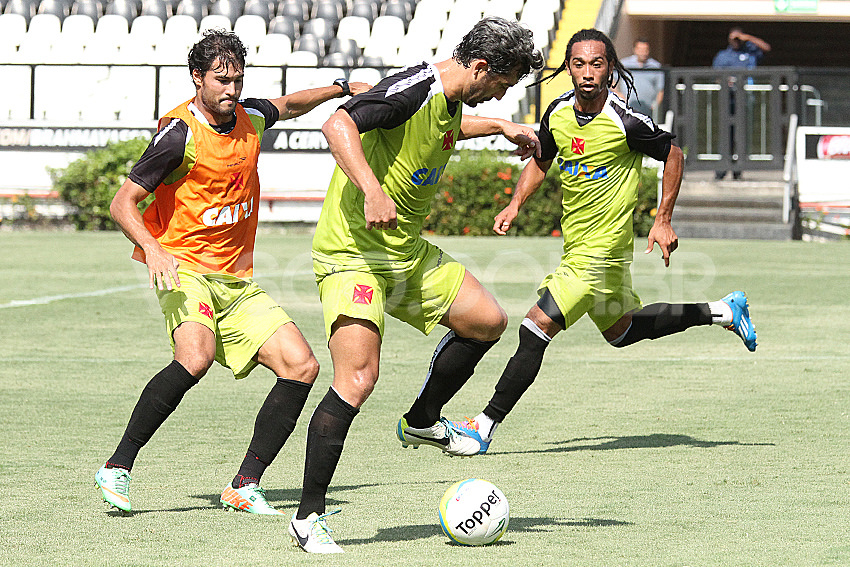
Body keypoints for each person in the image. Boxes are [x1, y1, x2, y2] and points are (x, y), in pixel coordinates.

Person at [286, 16, 544, 553]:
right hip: (353, 255)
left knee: (487, 322)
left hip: (404, 252)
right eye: (504, 82)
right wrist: (371, 189)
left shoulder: (452, 100)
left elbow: (447, 131)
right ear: (480, 67)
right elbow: (339, 124)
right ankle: (309, 517)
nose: (505, 92)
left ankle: (423, 420)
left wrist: (499, 126)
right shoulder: (414, 87)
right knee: (357, 379)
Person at [94, 29, 370, 516]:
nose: (231, 89)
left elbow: (289, 103)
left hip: (236, 278)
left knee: (301, 366)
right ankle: (118, 465)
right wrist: (154, 250)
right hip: (185, 269)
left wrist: (339, 90)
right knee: (194, 357)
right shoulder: (178, 134)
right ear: (197, 78)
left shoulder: (251, 118)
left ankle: (245, 483)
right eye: (220, 79)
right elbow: (123, 204)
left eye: (237, 79)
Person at [450, 28, 758, 456]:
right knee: (622, 331)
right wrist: (515, 204)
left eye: (597, 64)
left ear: (610, 68)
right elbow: (542, 159)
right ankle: (722, 311)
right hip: (580, 250)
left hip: (603, 251)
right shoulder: (557, 113)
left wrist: (662, 218)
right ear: (569, 68)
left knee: (534, 328)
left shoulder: (625, 120)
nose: (588, 72)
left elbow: (674, 154)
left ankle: (483, 426)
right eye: (579, 64)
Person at [712, 28, 772, 180]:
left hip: (745, 99)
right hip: (728, 99)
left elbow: (766, 48)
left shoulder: (750, 52)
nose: (737, 41)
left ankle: (738, 170)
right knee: (726, 134)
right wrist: (727, 81)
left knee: (742, 135)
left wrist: (747, 37)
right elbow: (716, 76)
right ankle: (722, 170)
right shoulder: (723, 55)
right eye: (734, 38)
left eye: (739, 38)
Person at [620, 37, 664, 120]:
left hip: (648, 110)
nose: (643, 53)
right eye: (640, 49)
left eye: (645, 50)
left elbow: (660, 89)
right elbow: (611, 80)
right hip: (627, 109)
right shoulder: (624, 64)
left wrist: (655, 106)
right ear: (634, 50)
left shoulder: (655, 66)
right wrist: (619, 95)